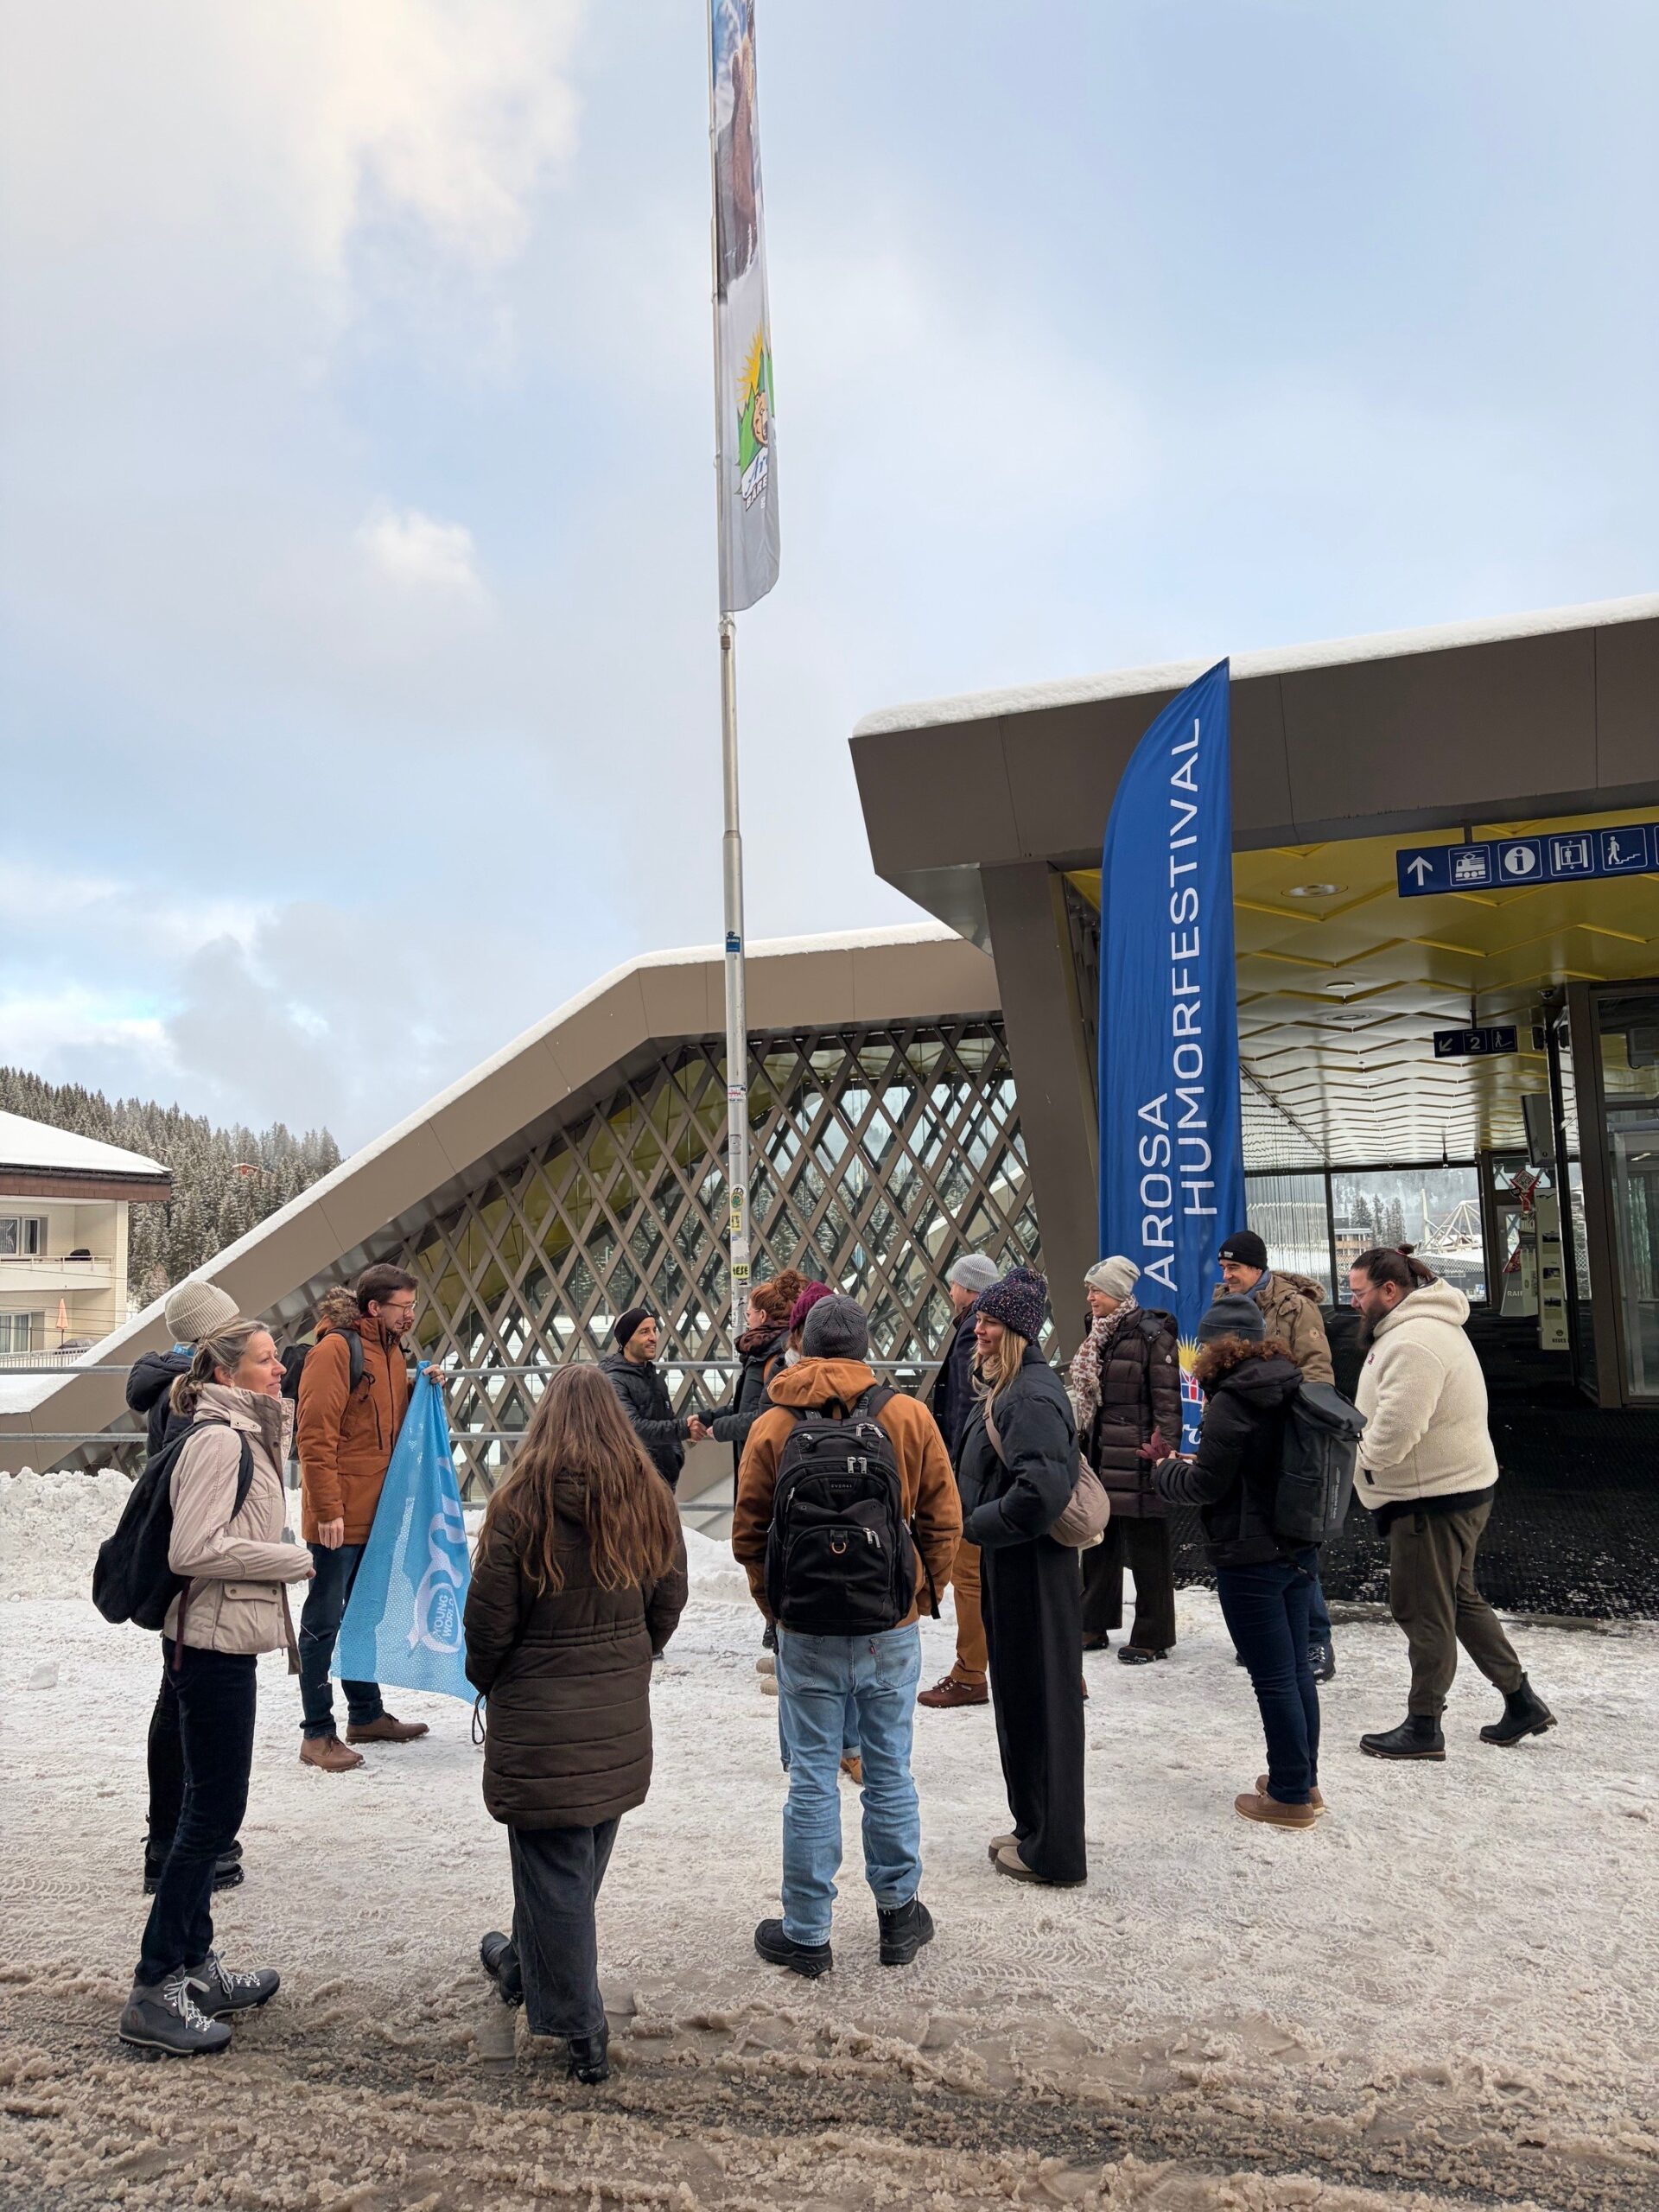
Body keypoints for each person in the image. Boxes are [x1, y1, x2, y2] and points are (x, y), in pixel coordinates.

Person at [467, 1365, 687, 2086]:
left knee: (554, 1863)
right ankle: (523, 1964)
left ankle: (579, 2024)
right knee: (576, 1856)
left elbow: (488, 1623)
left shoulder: (520, 1504)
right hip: (615, 1712)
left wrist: (490, 1679)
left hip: (539, 1712)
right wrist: (634, 1654)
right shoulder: (647, 1497)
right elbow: (669, 1599)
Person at [732, 1294, 961, 1975]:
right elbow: (943, 1520)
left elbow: (749, 1533)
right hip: (889, 1624)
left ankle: (807, 1933)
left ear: (803, 1345)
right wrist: (919, 1596)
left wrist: (776, 1610)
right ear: (865, 1348)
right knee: (889, 1772)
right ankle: (899, 1917)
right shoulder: (906, 1416)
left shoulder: (774, 1424)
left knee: (811, 1779)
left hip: (806, 1629)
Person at [118, 1319, 315, 2056]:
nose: (280, 1369)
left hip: (223, 1638)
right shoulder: (220, 1442)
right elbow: (194, 1549)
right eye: (266, 1360)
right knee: (211, 1814)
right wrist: (288, 1559)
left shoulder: (247, 1435)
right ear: (229, 1374)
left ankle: (195, 1965)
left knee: (211, 1807)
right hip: (207, 1643)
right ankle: (155, 1984)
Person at [1349, 1246, 1554, 1759]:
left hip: (1431, 1500)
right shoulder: (1417, 1328)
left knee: (1422, 1608)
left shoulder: (1414, 1341)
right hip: (1453, 1490)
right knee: (1458, 1600)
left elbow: (1396, 1431)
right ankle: (1521, 1702)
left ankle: (1424, 1726)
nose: (1352, 1302)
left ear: (1390, 1290)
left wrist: (1358, 1460)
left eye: (1358, 1292)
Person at [1155, 1296, 1322, 1828]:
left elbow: (1208, 1485)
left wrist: (1164, 1470)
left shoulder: (1232, 1400)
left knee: (1272, 1678)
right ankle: (1303, 1780)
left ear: (1216, 1345)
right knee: (1296, 1671)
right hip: (1297, 1543)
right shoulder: (1289, 1383)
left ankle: (1289, 1796)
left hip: (1249, 1554)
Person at [956, 1266, 1087, 1886]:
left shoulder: (1029, 1396)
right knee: (1023, 1699)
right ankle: (1034, 1826)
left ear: (1016, 1330)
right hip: (1017, 1562)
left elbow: (1039, 1494)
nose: (977, 1330)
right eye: (979, 1318)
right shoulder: (1014, 1387)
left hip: (1032, 1567)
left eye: (989, 1321)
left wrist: (976, 1523)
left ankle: (1053, 1850)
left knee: (1043, 1704)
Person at [126, 1278, 249, 1898]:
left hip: (184, 1570)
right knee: (183, 1708)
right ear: (212, 1337)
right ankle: (175, 1842)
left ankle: (178, 1836)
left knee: (178, 1702)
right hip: (192, 1573)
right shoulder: (187, 1398)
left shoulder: (177, 1387)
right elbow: (196, 1500)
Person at [295, 1262, 431, 1772]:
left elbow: (380, 1421)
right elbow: (315, 1435)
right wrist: (327, 1509)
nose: (410, 1315)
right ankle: (316, 1732)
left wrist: (422, 1389)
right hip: (339, 1515)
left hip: (377, 1510)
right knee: (324, 1620)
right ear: (374, 1307)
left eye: (413, 1306)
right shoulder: (336, 1350)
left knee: (366, 1615)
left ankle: (366, 1714)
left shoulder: (392, 1352)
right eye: (402, 1307)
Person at [1215, 1230, 1340, 1684]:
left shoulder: (1294, 1307)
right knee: (1254, 1538)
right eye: (1224, 1268)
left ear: (1257, 1268)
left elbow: (1318, 1372)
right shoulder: (1224, 1302)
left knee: (1294, 1539)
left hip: (1286, 1439)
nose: (1227, 1276)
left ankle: (1315, 1639)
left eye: (1234, 1268)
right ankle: (1269, 1636)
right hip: (1242, 1436)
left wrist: (1296, 1425)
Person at [1068, 1256, 1181, 1665]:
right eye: (1089, 1290)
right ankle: (1092, 1622)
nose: (1090, 1297)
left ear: (1118, 1292)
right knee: (1099, 1541)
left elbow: (1168, 1405)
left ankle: (1153, 1635)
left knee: (1149, 1550)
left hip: (1138, 1457)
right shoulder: (1097, 1333)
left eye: (1096, 1289)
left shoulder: (1152, 1337)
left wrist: (1163, 1458)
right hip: (1101, 1455)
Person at [918, 1252, 1001, 1710]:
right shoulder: (992, 1330)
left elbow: (966, 1407)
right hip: (990, 1472)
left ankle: (970, 1673)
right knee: (1010, 1573)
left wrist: (951, 1465)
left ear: (969, 1287)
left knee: (969, 1574)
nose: (949, 1291)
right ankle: (1063, 1668)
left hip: (972, 1473)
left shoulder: (975, 1332)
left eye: (953, 1283)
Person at [706, 1269, 808, 1466]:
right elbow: (750, 1405)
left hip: (766, 1461)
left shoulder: (769, 1355)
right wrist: (707, 1418)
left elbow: (767, 1415)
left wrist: (721, 1428)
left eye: (748, 1314)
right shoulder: (782, 1348)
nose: (747, 1322)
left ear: (762, 1316)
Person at [600, 1308, 694, 1492]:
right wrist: (683, 1429)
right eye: (644, 1332)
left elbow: (669, 1419)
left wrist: (675, 1459)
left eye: (654, 1330)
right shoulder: (613, 1381)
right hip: (632, 1486)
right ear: (626, 1341)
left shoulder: (655, 1379)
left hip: (663, 1484)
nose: (653, 1338)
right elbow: (634, 1428)